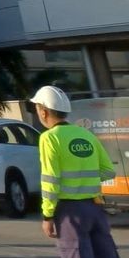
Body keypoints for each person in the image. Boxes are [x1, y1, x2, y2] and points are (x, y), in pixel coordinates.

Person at [31, 86, 120, 258]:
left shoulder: (50, 137)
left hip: (70, 212)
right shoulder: (86, 134)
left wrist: (47, 215)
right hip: (95, 209)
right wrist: (85, 182)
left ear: (43, 112)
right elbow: (109, 172)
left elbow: (50, 180)